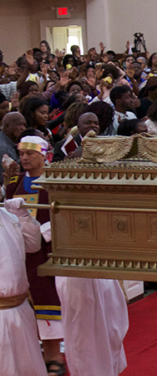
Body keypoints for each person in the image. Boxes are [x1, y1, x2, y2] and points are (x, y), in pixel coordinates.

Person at [5, 135, 66, 375]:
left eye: (29, 153)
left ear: (43, 154)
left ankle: (54, 355)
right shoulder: (15, 181)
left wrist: (42, 235)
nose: (24, 158)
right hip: (17, 252)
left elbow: (62, 214)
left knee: (47, 303)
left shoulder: (56, 181)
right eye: (21, 154)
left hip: (45, 252)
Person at [0, 197, 47, 376]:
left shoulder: (9, 216)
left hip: (21, 308)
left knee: (30, 369)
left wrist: (23, 215)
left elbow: (33, 246)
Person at [0, 112, 26, 178]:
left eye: (24, 125)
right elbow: (5, 179)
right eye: (19, 124)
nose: (23, 128)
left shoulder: (8, 143)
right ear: (7, 127)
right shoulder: (4, 148)